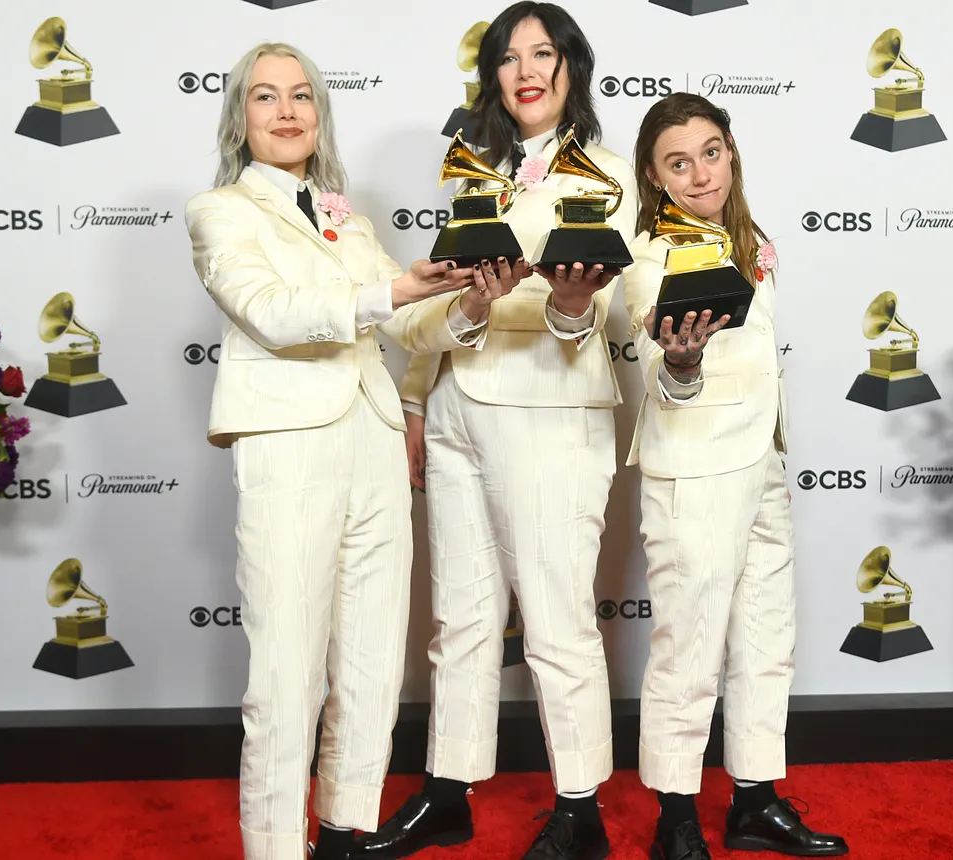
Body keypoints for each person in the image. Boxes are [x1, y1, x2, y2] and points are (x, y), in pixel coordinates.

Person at [184, 42, 524, 860]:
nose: (287, 110)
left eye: (301, 95)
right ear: (240, 117)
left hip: (373, 443)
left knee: (372, 665)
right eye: (266, 97)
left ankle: (344, 834)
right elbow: (270, 310)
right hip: (287, 446)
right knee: (285, 672)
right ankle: (274, 847)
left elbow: (406, 327)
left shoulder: (347, 216)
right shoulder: (219, 210)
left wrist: (468, 304)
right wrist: (393, 289)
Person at [358, 4, 636, 859]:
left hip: (548, 417)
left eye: (542, 53)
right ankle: (448, 790)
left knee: (555, 623)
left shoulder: (612, 175)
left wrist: (566, 304)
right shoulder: (474, 172)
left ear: (570, 67)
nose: (525, 70)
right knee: (461, 619)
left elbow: (605, 310)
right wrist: (420, 390)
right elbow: (436, 312)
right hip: (454, 410)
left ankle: (581, 809)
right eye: (508, 57)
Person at [622, 93, 848, 859]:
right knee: (688, 647)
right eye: (676, 163)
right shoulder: (649, 258)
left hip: (761, 463)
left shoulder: (745, 238)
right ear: (653, 180)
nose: (699, 173)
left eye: (710, 152)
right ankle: (675, 816)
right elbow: (661, 371)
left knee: (764, 637)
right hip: (692, 470)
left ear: (731, 153)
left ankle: (754, 796)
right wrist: (679, 363)